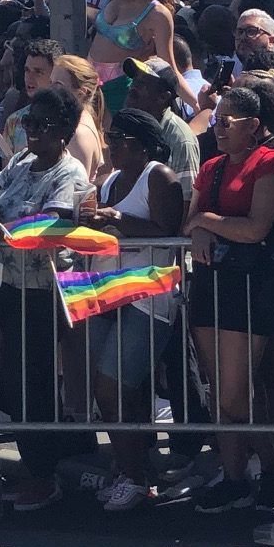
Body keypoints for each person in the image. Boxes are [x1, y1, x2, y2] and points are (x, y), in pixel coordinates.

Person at [0, 88, 87, 513]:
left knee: (32, 381)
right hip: (8, 286)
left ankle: (44, 473)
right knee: (12, 380)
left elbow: (53, 222)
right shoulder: (18, 162)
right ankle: (39, 463)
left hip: (45, 289)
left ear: (65, 132)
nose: (31, 131)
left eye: (42, 124)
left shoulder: (69, 173)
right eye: (28, 122)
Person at [183, 84, 274, 514]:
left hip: (251, 286)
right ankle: (233, 477)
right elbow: (187, 219)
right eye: (217, 118)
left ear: (254, 126)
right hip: (210, 283)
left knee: (235, 393)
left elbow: (256, 228)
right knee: (219, 393)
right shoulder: (209, 167)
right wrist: (201, 225)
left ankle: (273, 469)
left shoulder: (270, 162)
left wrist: (208, 222)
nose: (220, 125)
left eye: (229, 119)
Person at [84, 108, 184, 513]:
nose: (110, 144)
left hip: (150, 296)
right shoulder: (108, 181)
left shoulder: (159, 176)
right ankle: (137, 472)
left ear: (141, 144)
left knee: (112, 386)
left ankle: (134, 476)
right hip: (107, 289)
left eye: (118, 138)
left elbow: (168, 231)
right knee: (117, 390)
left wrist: (118, 217)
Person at [89, 0, 190, 105]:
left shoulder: (158, 15)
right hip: (87, 83)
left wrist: (197, 105)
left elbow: (170, 68)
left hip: (119, 93)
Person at [122, 57, 200, 195]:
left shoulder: (180, 139)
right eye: (134, 81)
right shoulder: (129, 126)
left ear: (163, 97)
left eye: (141, 84)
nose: (132, 88)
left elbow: (185, 200)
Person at [51, 54, 106, 180]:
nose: (51, 89)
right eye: (51, 82)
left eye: (58, 84)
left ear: (81, 93)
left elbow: (76, 191)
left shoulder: (78, 134)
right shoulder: (76, 124)